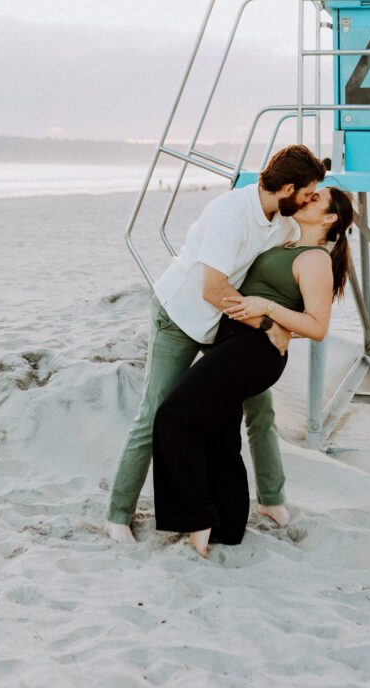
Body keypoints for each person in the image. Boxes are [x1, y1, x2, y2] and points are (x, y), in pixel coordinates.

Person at [103, 145, 326, 544]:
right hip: (180, 316)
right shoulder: (231, 213)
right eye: (308, 193)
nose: (311, 200)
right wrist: (267, 323)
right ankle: (118, 514)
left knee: (260, 408)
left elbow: (283, 278)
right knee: (156, 411)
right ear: (287, 187)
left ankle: (272, 499)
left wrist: (284, 325)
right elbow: (212, 289)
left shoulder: (284, 222)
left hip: (224, 323)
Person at [151, 185, 354, 557]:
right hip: (236, 341)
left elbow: (318, 326)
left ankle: (197, 517)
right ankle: (228, 527)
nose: (307, 199)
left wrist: (268, 310)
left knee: (174, 417)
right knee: (219, 433)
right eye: (309, 193)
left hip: (255, 350)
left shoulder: (316, 259)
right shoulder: (290, 241)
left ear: (329, 219)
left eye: (316, 199)